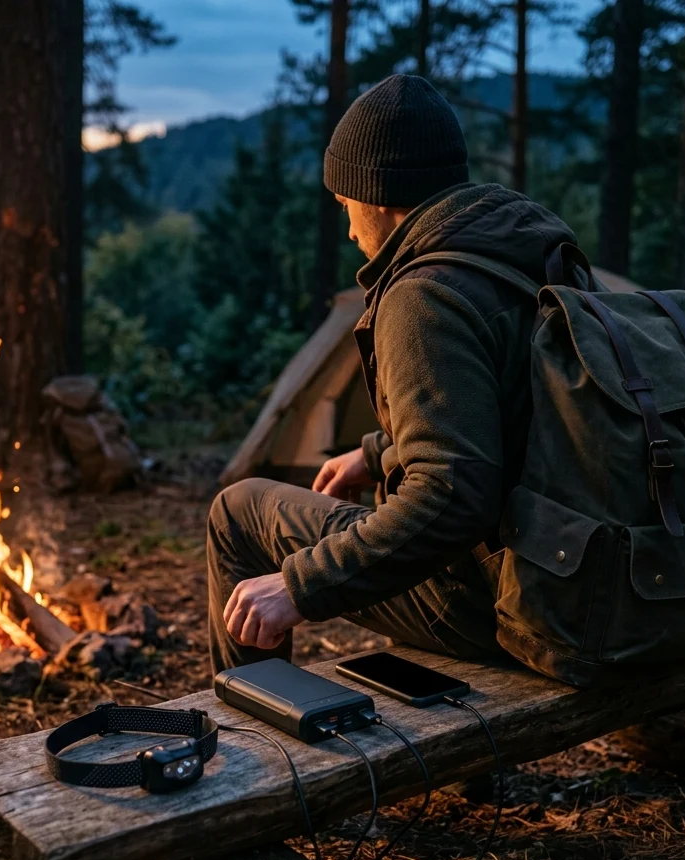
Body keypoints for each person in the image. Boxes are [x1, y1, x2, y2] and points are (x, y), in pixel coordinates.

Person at [206, 73, 583, 674]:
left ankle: (252, 740)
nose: (352, 229)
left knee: (238, 511)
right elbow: (526, 414)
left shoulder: (423, 294)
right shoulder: (532, 254)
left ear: (378, 193)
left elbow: (452, 498)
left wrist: (299, 587)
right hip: (581, 576)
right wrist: (379, 452)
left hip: (513, 606)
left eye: (347, 204)